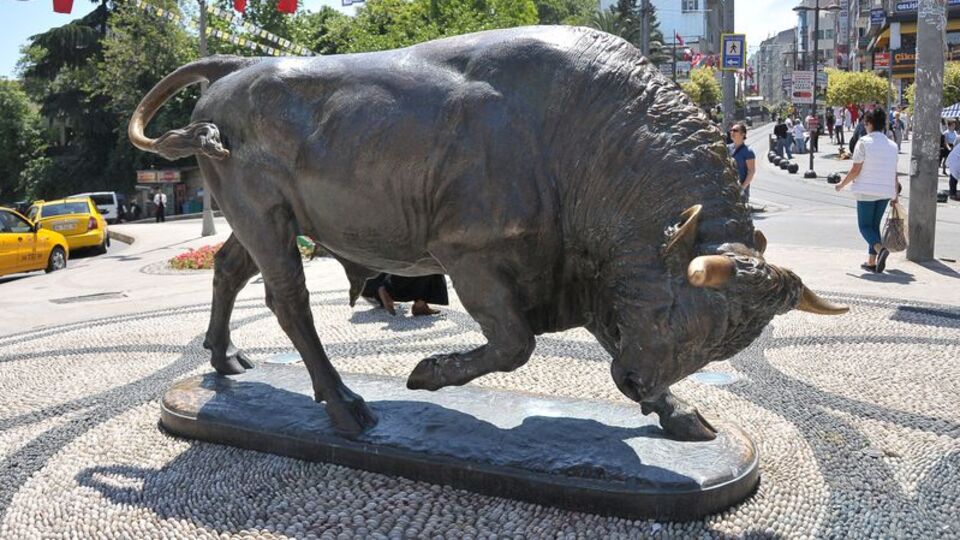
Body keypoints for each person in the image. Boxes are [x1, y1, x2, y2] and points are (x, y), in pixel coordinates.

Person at [834, 108, 899, 274]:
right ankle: (871, 262)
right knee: (874, 226)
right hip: (886, 191)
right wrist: (895, 195)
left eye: (865, 123)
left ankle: (880, 249)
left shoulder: (863, 142)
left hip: (866, 190)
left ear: (869, 123)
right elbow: (894, 172)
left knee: (864, 226)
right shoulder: (892, 146)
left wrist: (842, 184)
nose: (865, 126)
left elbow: (855, 170)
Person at [361, 273, 448, 316]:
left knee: (429, 260)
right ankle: (388, 288)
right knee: (430, 259)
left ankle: (420, 304)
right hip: (380, 281)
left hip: (372, 282)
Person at [727, 122, 756, 203]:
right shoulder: (727, 148)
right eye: (731, 130)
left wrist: (742, 188)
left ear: (743, 134)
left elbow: (751, 171)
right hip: (728, 189)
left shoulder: (748, 152)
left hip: (740, 191)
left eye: (735, 130)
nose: (732, 132)